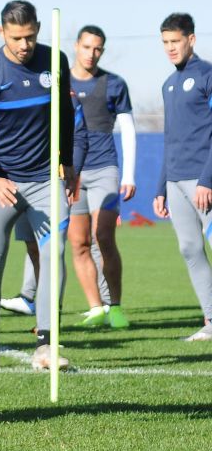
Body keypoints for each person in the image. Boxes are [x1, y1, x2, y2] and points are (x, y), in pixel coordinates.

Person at [0, 0, 76, 372]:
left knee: (54, 254)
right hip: (1, 184)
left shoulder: (55, 61)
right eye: (15, 38)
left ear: (38, 29)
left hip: (45, 180)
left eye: (29, 37)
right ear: (1, 33)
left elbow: (65, 117)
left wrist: (68, 163)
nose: (23, 45)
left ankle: (45, 345)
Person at [68, 25, 136, 329]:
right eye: (86, 47)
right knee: (78, 242)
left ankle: (116, 306)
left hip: (104, 167)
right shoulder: (58, 84)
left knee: (104, 236)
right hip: (71, 172)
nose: (91, 53)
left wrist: (129, 175)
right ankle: (95, 307)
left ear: (102, 51)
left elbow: (129, 130)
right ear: (76, 46)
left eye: (97, 49)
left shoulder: (114, 84)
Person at [154, 12, 212, 341]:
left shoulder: (207, 75)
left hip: (203, 179)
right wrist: (161, 185)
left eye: (175, 41)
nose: (170, 48)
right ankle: (211, 322)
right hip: (175, 181)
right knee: (190, 249)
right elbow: (169, 136)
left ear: (191, 39)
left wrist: (208, 179)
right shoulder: (168, 84)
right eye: (165, 43)